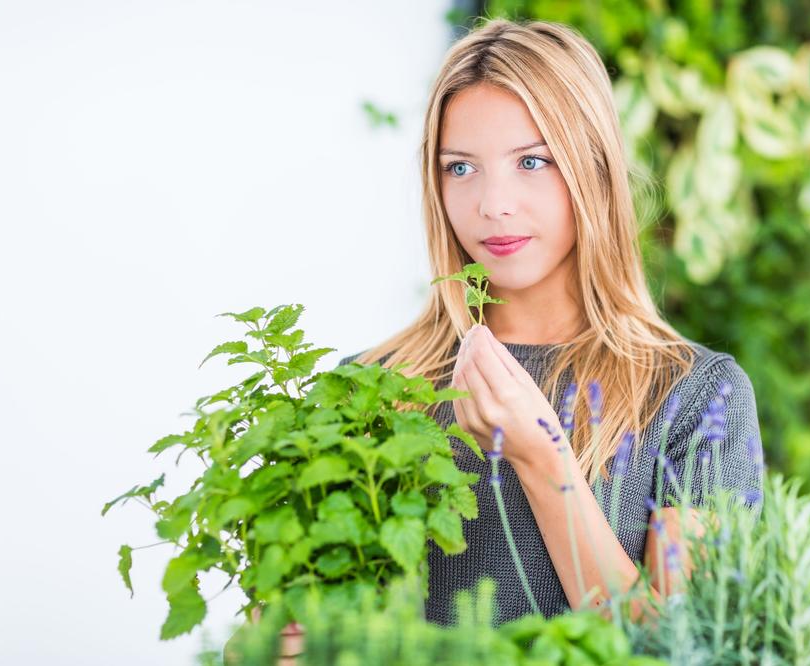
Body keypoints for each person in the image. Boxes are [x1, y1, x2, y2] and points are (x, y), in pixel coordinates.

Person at [243, 16, 764, 662]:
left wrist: (543, 460)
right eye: (461, 167)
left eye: (531, 161)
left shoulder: (697, 397)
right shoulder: (365, 390)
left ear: (595, 167)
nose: (493, 203)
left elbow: (685, 651)